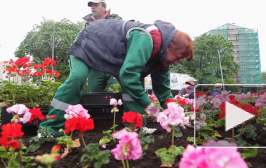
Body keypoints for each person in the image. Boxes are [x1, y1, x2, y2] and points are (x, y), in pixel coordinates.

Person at [39, 19, 194, 135]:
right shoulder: (145, 38)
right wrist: (152, 108)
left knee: (133, 86)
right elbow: (128, 75)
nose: (175, 62)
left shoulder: (163, 57)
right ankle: (49, 128)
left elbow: (164, 93)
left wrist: (178, 115)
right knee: (77, 78)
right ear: (170, 45)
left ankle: (135, 128)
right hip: (90, 43)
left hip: (114, 57)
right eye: (178, 56)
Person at [83, 0, 122, 92]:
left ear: (105, 7)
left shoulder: (117, 20)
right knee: (92, 96)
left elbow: (119, 39)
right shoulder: (88, 24)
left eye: (96, 5)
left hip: (113, 65)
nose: (93, 8)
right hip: (95, 66)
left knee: (115, 94)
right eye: (91, 6)